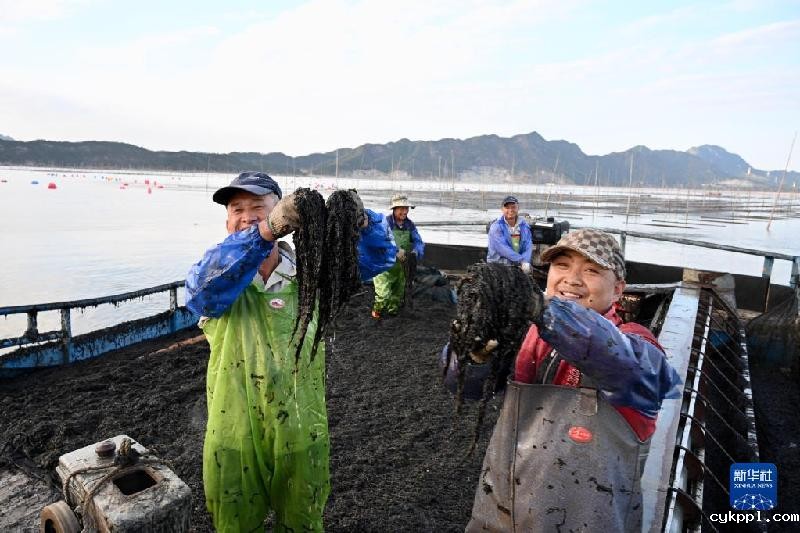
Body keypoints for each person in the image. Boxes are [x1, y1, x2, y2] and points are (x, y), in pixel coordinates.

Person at [185, 172, 395, 532]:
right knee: (234, 523)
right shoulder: (217, 273)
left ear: (283, 212)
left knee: (302, 521)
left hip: (301, 428)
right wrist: (263, 231)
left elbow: (379, 258)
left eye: (258, 207)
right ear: (227, 220)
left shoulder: (312, 274)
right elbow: (201, 293)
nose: (247, 215)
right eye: (238, 209)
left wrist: (363, 220)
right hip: (234, 433)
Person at [466, 228, 682, 532]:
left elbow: (627, 365)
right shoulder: (526, 335)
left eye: (592, 270)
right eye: (562, 266)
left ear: (619, 289)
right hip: (499, 507)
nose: (572, 279)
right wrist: (472, 352)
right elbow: (467, 388)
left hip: (588, 517)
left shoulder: (636, 343)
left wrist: (544, 310)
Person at [371, 193, 425, 318]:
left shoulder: (409, 225)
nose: (405, 211)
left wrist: (416, 251)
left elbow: (418, 241)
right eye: (401, 208)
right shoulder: (385, 224)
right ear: (394, 209)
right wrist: (395, 251)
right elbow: (378, 242)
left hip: (401, 267)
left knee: (397, 295)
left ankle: (392, 315)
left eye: (406, 208)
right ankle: (376, 312)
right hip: (383, 266)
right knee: (383, 295)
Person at [486, 195, 533, 273]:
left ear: (518, 208)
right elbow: (502, 248)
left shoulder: (524, 226)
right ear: (502, 209)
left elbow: (528, 246)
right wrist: (521, 260)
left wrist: (526, 261)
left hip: (517, 265)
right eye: (507, 208)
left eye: (513, 207)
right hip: (498, 265)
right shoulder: (496, 226)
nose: (510, 210)